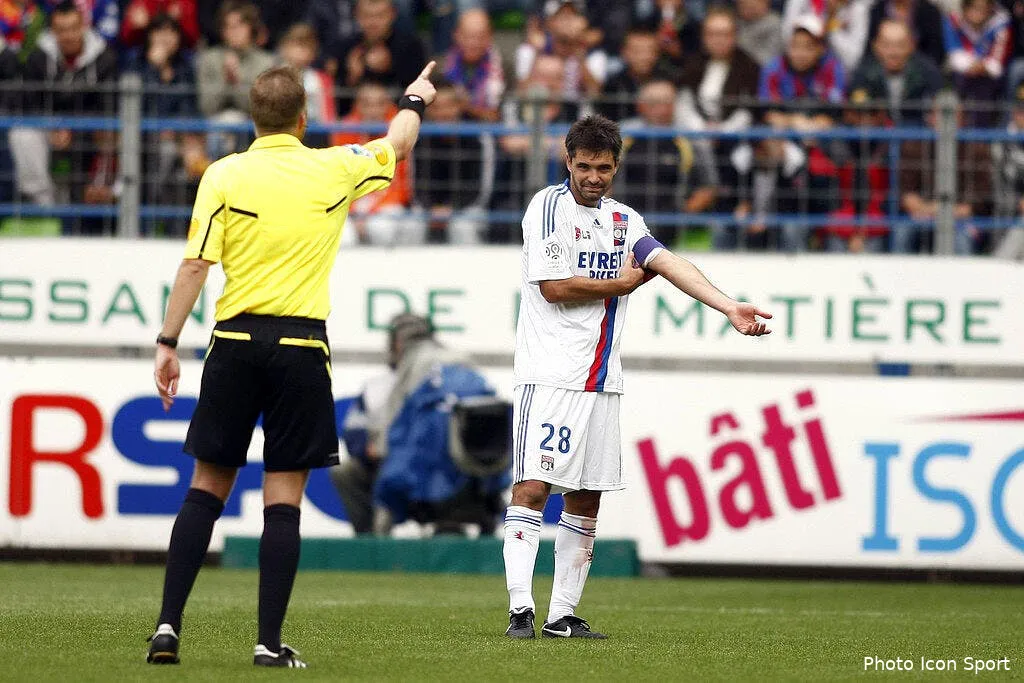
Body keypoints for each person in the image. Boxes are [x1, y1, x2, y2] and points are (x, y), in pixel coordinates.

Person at [146, 60, 437, 668]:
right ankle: (267, 643)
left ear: (253, 119)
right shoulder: (332, 165)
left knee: (206, 488)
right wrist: (414, 95)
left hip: (231, 342)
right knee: (284, 497)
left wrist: (168, 341)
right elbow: (400, 144)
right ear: (305, 118)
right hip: (300, 348)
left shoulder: (223, 174)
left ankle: (168, 628)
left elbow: (195, 265)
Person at [503, 114, 771, 640]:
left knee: (586, 497)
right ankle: (519, 610)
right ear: (567, 159)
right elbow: (554, 288)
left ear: (616, 166)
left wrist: (727, 307)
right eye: (585, 167)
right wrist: (623, 284)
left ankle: (560, 615)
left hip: (602, 380)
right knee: (533, 487)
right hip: (550, 375)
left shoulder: (625, 220)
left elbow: (667, 262)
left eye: (604, 168)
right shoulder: (546, 207)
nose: (594, 177)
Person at [442, 8, 505, 123]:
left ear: (490, 37)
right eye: (468, 36)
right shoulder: (440, 68)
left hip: (488, 134)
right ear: (456, 35)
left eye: (480, 36)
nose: (474, 43)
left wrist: (467, 107)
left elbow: (501, 117)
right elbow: (433, 112)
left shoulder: (505, 69)